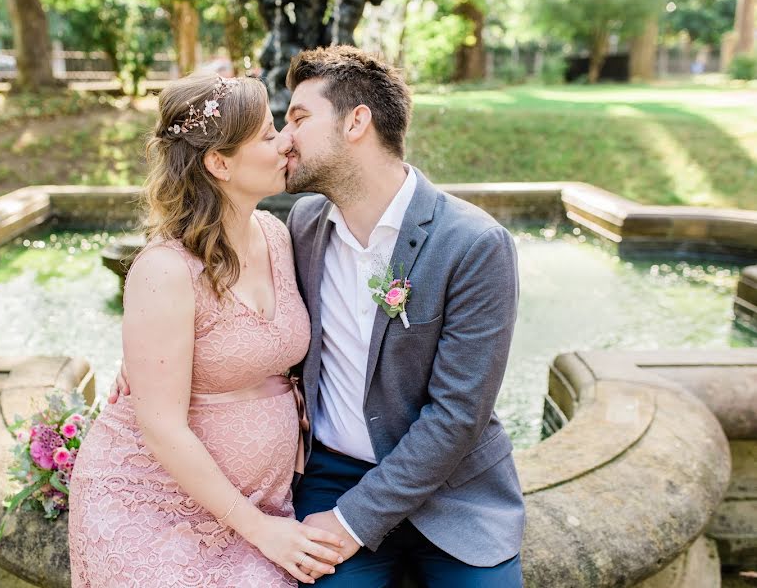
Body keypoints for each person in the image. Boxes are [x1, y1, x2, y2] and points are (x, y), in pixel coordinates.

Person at [111, 45, 525, 587]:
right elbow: (227, 311)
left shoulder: (474, 244)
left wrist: (354, 522)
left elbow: (458, 416)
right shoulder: (303, 226)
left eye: (299, 119)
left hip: (456, 495)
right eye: (276, 127)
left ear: (357, 122)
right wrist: (146, 363)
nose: (286, 139)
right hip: (335, 475)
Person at [68, 72, 345, 588]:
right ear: (219, 163)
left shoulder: (276, 234)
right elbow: (162, 427)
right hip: (153, 504)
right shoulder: (165, 270)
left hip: (262, 499)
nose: (286, 140)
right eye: (266, 134)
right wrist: (261, 530)